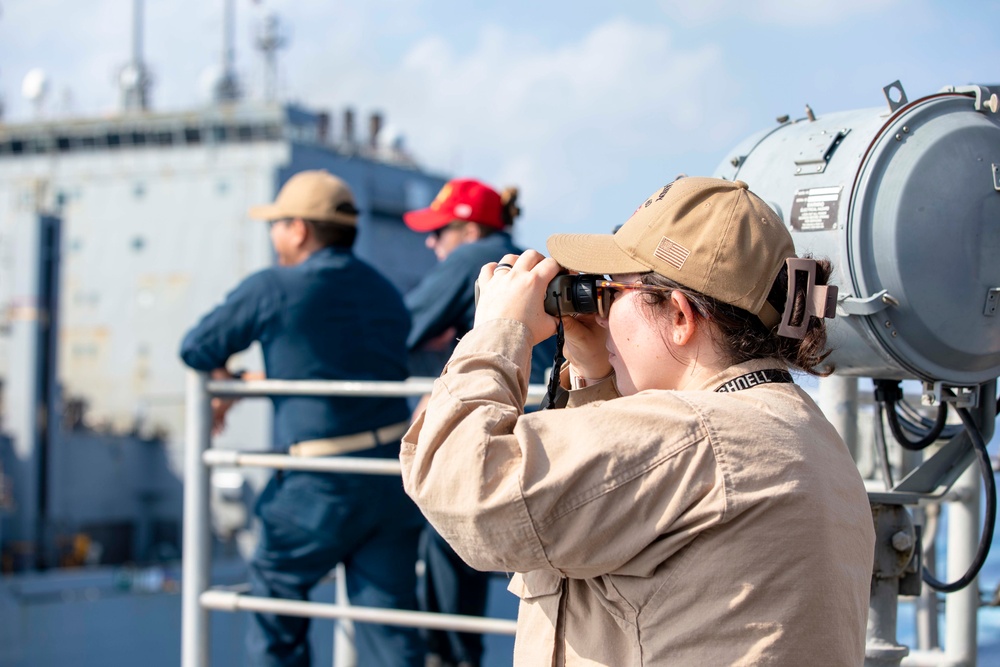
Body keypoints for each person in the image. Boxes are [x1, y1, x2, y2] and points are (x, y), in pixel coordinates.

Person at [399, 177, 875, 665]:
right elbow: (596, 510)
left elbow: (465, 485)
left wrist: (501, 329)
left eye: (612, 292)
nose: (600, 316)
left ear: (680, 316)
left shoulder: (692, 436)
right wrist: (591, 375)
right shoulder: (797, 427)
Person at [179, 169, 425, 667]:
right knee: (389, 630)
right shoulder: (384, 291)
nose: (272, 236)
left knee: (274, 595)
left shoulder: (275, 286)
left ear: (299, 229)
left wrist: (232, 382)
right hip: (390, 478)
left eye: (277, 224)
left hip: (319, 484)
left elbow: (196, 346)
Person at [402, 177, 555, 667]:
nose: (431, 242)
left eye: (440, 230)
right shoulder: (521, 256)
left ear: (468, 230)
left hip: (508, 432)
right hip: (551, 431)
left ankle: (451, 656)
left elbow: (403, 329)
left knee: (446, 521)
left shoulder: (476, 260)